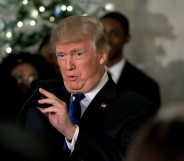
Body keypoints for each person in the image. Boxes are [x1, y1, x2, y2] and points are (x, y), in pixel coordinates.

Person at [17, 15, 158, 161]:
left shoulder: (137, 108)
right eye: (61, 55)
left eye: (78, 54)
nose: (68, 66)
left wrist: (72, 133)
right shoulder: (42, 94)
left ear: (102, 55)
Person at [100, 11, 161, 108]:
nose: (106, 39)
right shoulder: (77, 76)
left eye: (115, 34)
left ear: (126, 38)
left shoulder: (147, 87)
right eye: (102, 33)